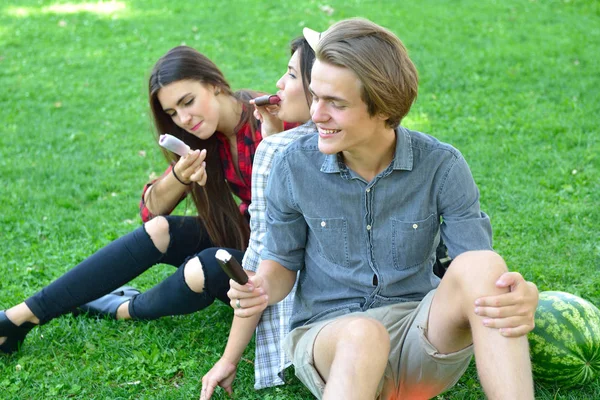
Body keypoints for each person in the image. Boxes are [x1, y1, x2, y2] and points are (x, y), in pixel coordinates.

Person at [219, 19, 539, 400]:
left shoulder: (442, 166)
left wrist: (517, 294)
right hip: (332, 337)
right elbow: (281, 263)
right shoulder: (292, 165)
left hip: (419, 336)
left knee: (485, 265)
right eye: (315, 96)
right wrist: (260, 288)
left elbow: (475, 271)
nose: (316, 114)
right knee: (363, 334)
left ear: (384, 109)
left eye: (335, 104)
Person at [0, 45, 299, 355]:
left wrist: (273, 140)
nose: (184, 118)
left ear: (214, 84)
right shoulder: (203, 141)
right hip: (249, 237)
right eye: (172, 113)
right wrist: (181, 176)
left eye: (188, 102)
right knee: (160, 230)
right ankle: (19, 317)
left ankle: (122, 308)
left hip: (281, 264)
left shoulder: (272, 119)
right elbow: (150, 210)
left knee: (207, 267)